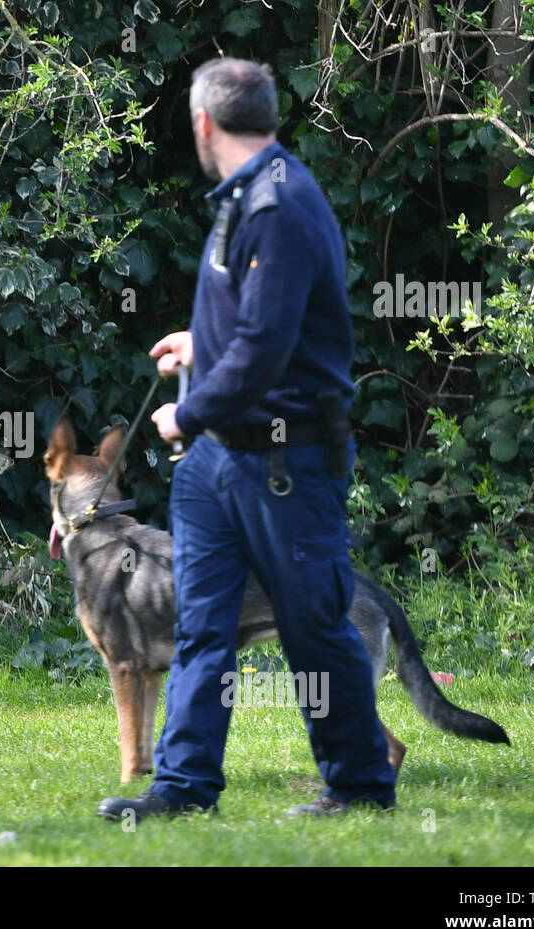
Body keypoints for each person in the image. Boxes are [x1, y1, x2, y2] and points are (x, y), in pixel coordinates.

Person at [96, 58, 397, 819]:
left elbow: (266, 348)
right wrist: (198, 343)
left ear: (203, 123)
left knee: (313, 630)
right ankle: (182, 790)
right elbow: (254, 320)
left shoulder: (281, 204)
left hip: (283, 460)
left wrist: (185, 415)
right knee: (201, 629)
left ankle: (360, 788)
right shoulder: (244, 197)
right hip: (216, 467)